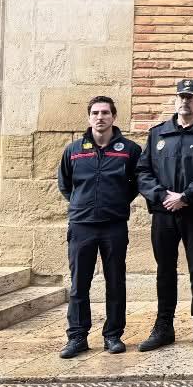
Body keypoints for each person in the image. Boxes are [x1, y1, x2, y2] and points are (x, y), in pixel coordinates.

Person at [137, 78, 193, 352]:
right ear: (175, 100)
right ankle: (163, 326)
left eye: (191, 97)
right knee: (165, 270)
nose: (185, 101)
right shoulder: (158, 134)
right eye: (181, 97)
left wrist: (186, 196)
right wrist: (163, 196)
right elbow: (143, 172)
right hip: (163, 212)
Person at [57, 95, 141, 358]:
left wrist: (114, 203)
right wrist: (83, 205)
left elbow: (136, 184)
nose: (100, 117)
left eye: (105, 113)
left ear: (114, 117)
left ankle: (113, 335)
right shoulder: (73, 150)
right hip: (81, 225)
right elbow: (65, 184)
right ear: (89, 117)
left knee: (115, 281)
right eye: (95, 113)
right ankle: (77, 337)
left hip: (114, 225)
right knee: (78, 283)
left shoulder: (129, 150)